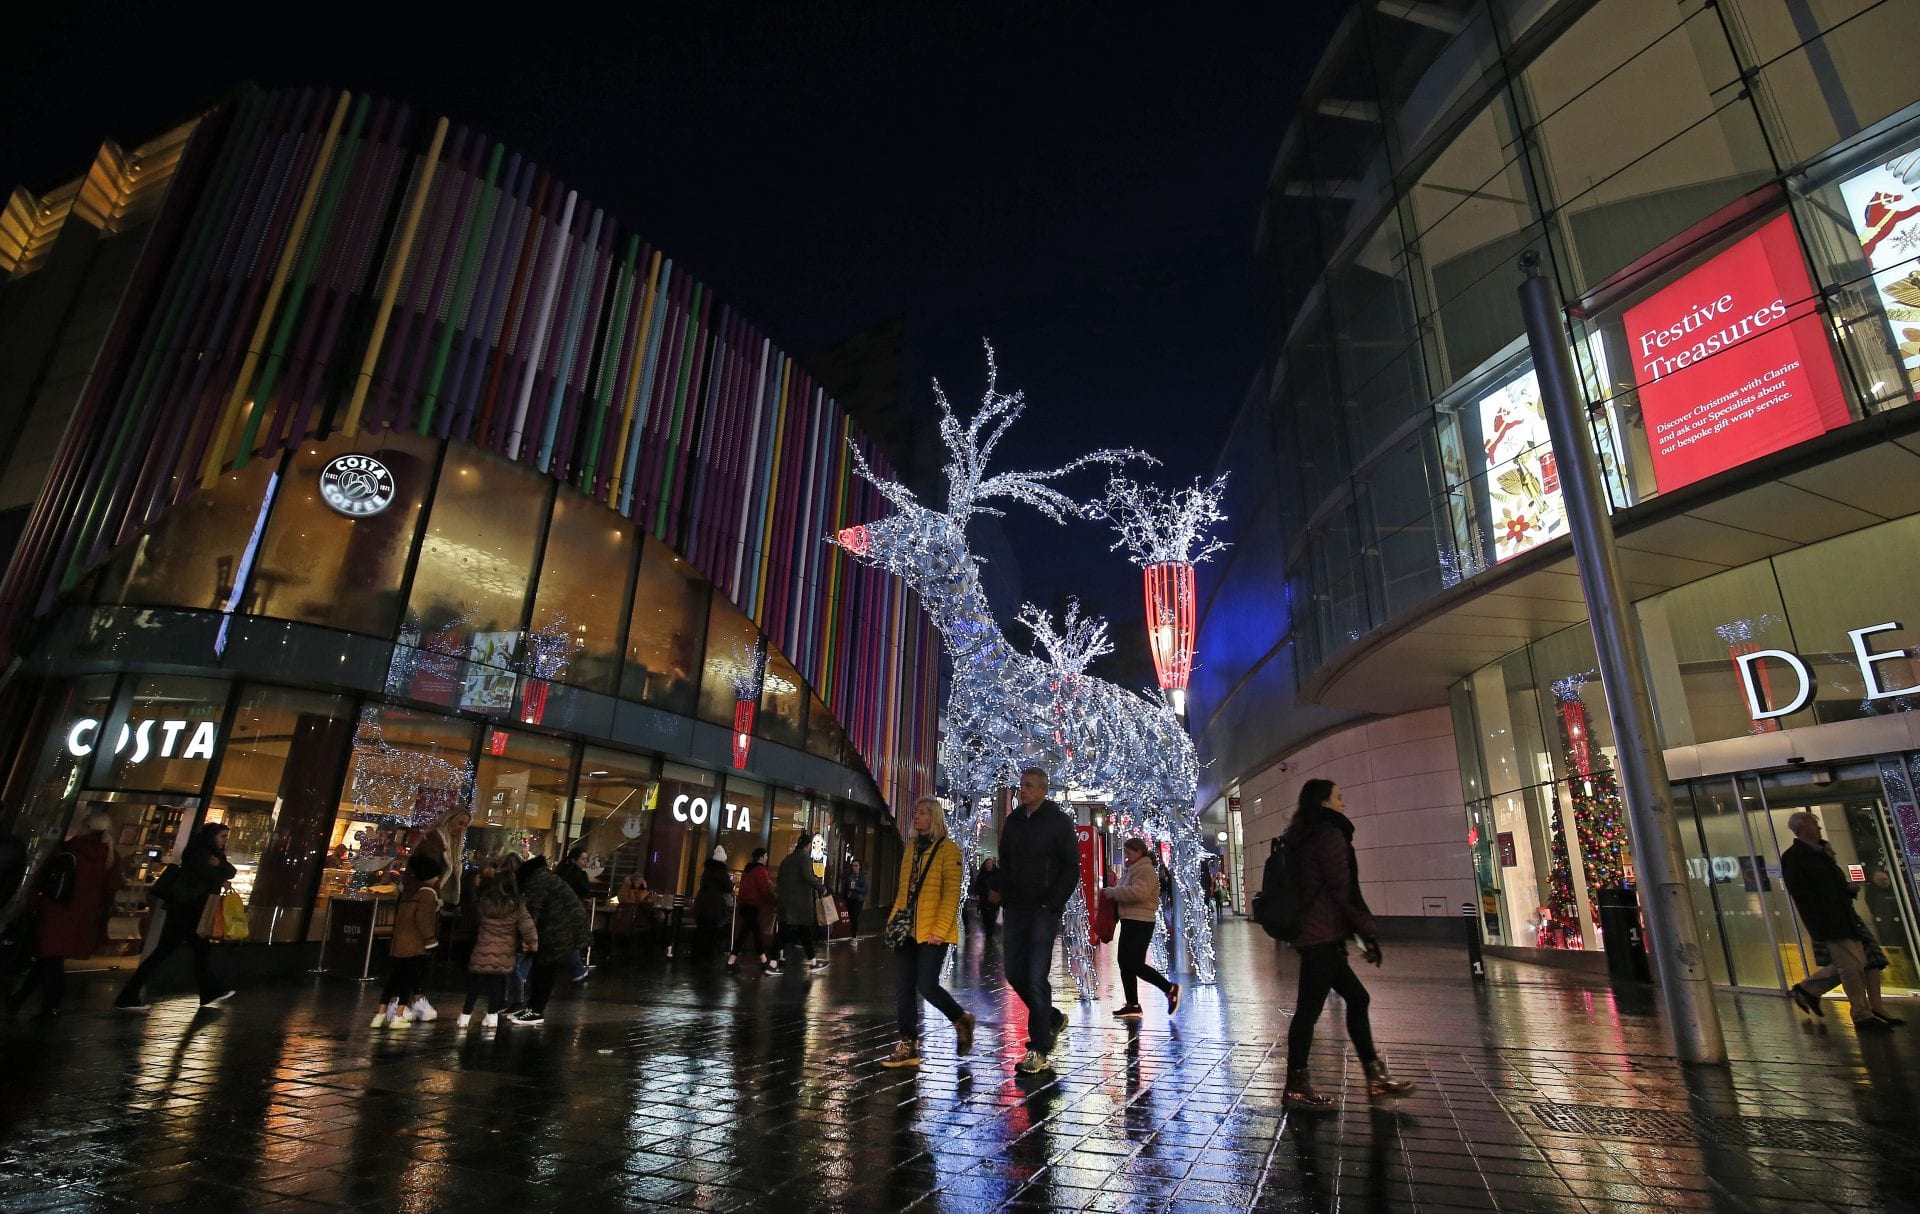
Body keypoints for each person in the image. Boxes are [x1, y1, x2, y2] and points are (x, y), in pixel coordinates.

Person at [1281, 779, 1416, 1109]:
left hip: (1315, 935)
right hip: (1321, 937)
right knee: (1309, 1011)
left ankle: (1375, 1077)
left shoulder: (1302, 835)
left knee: (1357, 998)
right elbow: (1344, 889)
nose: (1344, 803)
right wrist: (1367, 932)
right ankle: (1296, 1086)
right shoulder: (1328, 835)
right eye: (1339, 797)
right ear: (1324, 803)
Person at [1782, 811, 1902, 1031]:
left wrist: (1846, 890)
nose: (1818, 828)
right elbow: (1802, 891)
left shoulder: (1821, 854)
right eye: (1813, 824)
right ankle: (1861, 1014)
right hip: (1829, 919)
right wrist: (1826, 907)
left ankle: (1809, 990)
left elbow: (1830, 883)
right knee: (1852, 966)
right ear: (1800, 829)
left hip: (1842, 916)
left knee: (1855, 963)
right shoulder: (1796, 857)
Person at [882, 797, 975, 1067]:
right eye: (915, 812)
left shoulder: (949, 850)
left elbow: (951, 895)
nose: (916, 816)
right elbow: (904, 891)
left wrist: (940, 929)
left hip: (934, 930)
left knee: (927, 985)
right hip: (907, 930)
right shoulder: (911, 848)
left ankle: (960, 1019)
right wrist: (892, 922)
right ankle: (908, 1044)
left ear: (934, 817)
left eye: (922, 812)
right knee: (903, 987)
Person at [999, 766, 1078, 1075]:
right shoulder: (1014, 821)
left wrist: (1052, 903)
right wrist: (1005, 895)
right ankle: (1051, 1017)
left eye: (1030, 786)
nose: (1024, 790)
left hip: (1043, 910)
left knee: (1035, 975)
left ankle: (1040, 1048)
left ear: (1044, 790)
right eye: (1022, 785)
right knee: (1014, 972)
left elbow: (1070, 867)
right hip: (1016, 909)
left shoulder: (1058, 822)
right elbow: (1005, 861)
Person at [8, 811, 122, 1020]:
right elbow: (111, 887)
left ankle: (49, 1005)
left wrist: (32, 904)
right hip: (83, 915)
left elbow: (44, 879)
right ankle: (22, 999)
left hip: (57, 910)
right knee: (50, 957)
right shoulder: (110, 856)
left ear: (87, 827)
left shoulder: (70, 848)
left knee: (50, 957)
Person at [115, 821, 238, 1011]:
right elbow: (210, 873)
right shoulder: (199, 853)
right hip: (187, 908)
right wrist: (219, 873)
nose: (224, 840)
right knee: (174, 951)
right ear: (212, 836)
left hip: (191, 909)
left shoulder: (210, 854)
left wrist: (219, 865)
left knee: (196, 951)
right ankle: (128, 995)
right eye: (222, 836)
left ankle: (209, 990)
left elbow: (230, 871)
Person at [1100, 837, 1178, 1020]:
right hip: (1130, 920)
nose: (1126, 857)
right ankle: (1132, 1004)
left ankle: (1169, 988)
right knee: (1124, 963)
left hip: (1141, 921)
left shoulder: (1145, 870)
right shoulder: (1133, 869)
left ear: (1139, 852)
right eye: (1125, 853)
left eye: (1129, 853)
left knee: (1134, 964)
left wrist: (1113, 892)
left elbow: (1139, 893)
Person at [373, 852, 444, 1028]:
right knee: (408, 979)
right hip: (414, 944)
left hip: (398, 943)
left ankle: (379, 1016)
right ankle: (398, 1016)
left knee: (393, 979)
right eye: (436, 876)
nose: (437, 879)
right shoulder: (427, 894)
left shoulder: (408, 892)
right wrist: (430, 940)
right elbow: (423, 919)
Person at [515, 854, 588, 1024]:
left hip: (559, 929)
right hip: (564, 926)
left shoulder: (537, 881)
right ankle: (533, 1007)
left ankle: (536, 1010)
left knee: (545, 966)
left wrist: (526, 937)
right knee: (543, 965)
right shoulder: (544, 876)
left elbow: (532, 911)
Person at [460, 868, 536, 1030]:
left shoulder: (485, 902)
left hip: (482, 949)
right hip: (504, 952)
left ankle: (465, 1016)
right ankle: (492, 1016)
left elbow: (475, 920)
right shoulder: (517, 906)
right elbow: (528, 928)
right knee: (498, 985)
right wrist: (533, 945)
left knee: (475, 984)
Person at [776, 833, 828, 972]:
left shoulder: (787, 859)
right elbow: (807, 876)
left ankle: (775, 963)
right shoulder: (804, 857)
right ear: (808, 845)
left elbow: (779, 879)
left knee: (786, 932)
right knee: (802, 932)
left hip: (786, 903)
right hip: (799, 904)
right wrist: (821, 887)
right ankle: (812, 962)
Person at [735, 847, 779, 972]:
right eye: (765, 855)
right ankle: (764, 962)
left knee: (745, 934)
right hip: (753, 906)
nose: (767, 858)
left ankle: (731, 961)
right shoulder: (760, 870)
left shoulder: (747, 869)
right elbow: (764, 890)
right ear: (761, 857)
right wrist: (774, 901)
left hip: (744, 905)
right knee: (756, 934)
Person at [415, 808, 471, 907]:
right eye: (460, 823)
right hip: (423, 896)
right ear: (449, 820)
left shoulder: (453, 845)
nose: (462, 828)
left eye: (465, 825)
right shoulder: (434, 839)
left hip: (435, 898)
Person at [693, 846, 733, 962]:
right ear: (723, 860)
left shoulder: (707, 871)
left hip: (701, 903)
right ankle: (708, 956)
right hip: (714, 905)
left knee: (701, 930)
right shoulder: (722, 872)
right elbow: (728, 887)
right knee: (711, 931)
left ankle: (696, 955)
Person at [974, 858, 1002, 937]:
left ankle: (990, 933)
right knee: (985, 916)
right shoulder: (982, 874)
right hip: (984, 898)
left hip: (993, 898)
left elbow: (1000, 885)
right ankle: (988, 932)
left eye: (990, 863)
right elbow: (978, 885)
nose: (989, 865)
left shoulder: (997, 874)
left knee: (992, 916)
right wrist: (977, 894)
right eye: (987, 863)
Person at [845, 860, 870, 937]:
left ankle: (854, 935)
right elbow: (846, 887)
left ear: (860, 866)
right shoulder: (850, 876)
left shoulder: (863, 877)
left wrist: (855, 888)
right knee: (851, 917)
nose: (854, 867)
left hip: (858, 899)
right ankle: (852, 933)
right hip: (850, 899)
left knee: (855, 916)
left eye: (856, 865)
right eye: (853, 866)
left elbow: (865, 889)